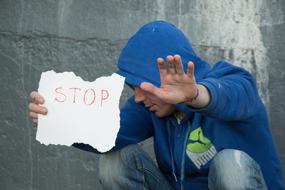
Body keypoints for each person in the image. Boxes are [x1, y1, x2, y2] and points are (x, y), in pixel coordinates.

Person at [28, 21, 285, 190]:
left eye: (143, 86)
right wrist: (63, 121)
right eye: (133, 88)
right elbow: (107, 132)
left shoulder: (233, 82)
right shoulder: (149, 105)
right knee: (114, 161)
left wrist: (193, 95)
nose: (138, 97)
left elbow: (227, 94)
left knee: (229, 165)